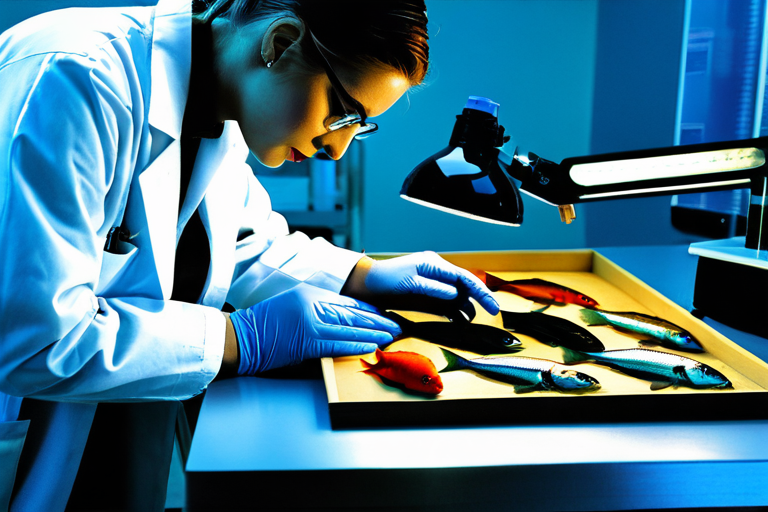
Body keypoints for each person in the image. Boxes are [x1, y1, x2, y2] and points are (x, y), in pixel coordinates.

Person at [0, 0, 499, 509]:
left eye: (360, 125)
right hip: (36, 414)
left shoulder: (221, 105)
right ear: (279, 43)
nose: (339, 148)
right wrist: (246, 338)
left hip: (127, 408)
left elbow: (241, 242)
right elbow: (35, 338)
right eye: (344, 113)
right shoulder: (75, 76)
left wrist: (365, 276)